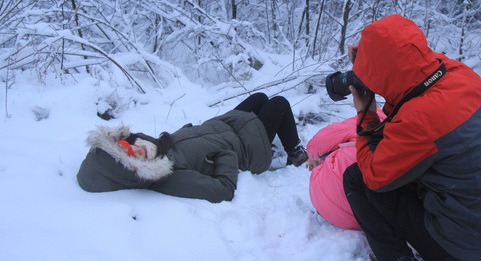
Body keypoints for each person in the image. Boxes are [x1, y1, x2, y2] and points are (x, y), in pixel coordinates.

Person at [341, 14, 481, 261]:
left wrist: (365, 112)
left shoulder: (421, 118)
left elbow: (375, 176)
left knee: (357, 178)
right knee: (413, 166)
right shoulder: (459, 74)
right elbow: (408, 71)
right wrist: (367, 60)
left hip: (459, 247)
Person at [77, 92, 308, 203]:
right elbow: (223, 189)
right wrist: (227, 154)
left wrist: (190, 131)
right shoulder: (168, 177)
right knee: (279, 104)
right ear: (132, 170)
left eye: (127, 146)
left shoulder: (150, 148)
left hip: (221, 126)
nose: (136, 150)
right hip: (246, 148)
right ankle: (296, 154)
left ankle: (276, 137)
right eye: (132, 157)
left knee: (260, 98)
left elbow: (179, 145)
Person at [305, 109, 385, 230]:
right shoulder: (403, 135)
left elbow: (315, 144)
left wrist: (313, 157)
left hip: (326, 203)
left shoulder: (363, 121)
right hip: (369, 216)